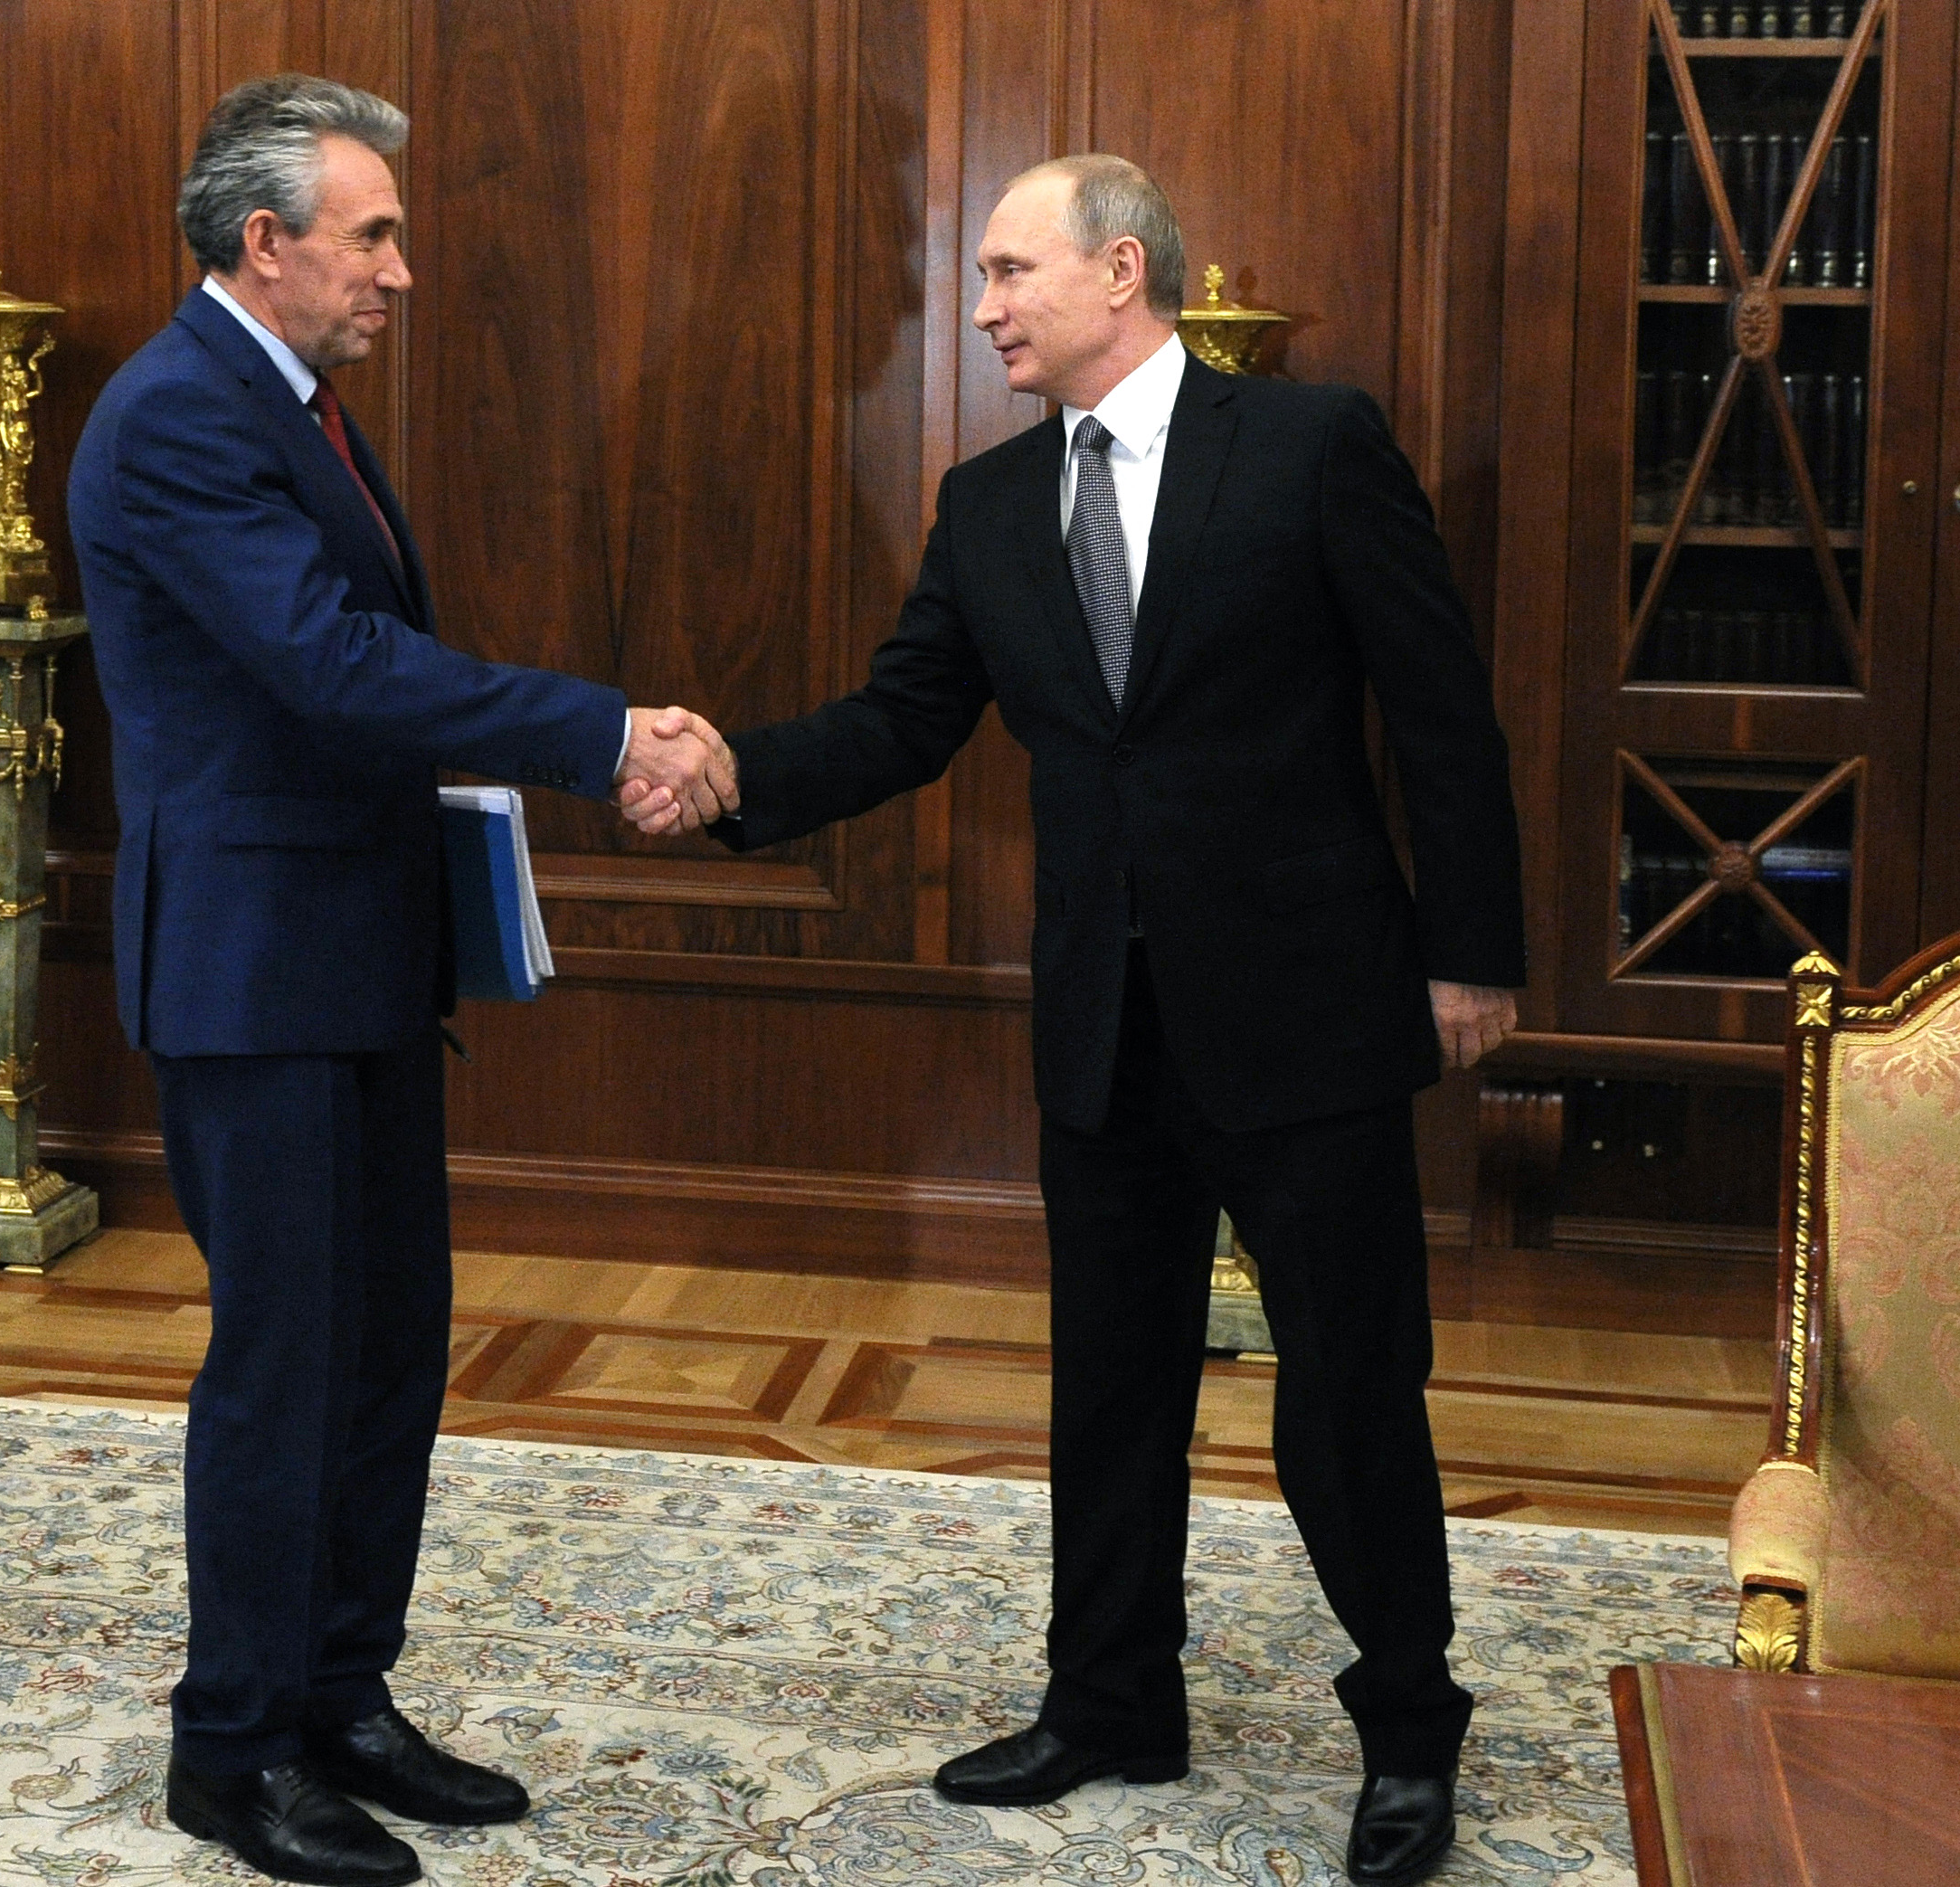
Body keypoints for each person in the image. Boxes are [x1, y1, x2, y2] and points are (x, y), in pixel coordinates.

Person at [624, 155, 1522, 1886]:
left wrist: (1470, 951)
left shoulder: (1312, 445)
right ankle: (1111, 1697)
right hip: (1106, 1020)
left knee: (1350, 1392)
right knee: (1111, 1382)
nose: (983, 310)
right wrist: (731, 775)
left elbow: (1441, 710)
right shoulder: (986, 503)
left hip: (1310, 1013)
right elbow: (902, 720)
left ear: (1122, 271)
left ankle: (1411, 1725)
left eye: (1009, 272)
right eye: (981, 278)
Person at [68, 74, 735, 1887]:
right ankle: (232, 1749)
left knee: (382, 1353)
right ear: (263, 241)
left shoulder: (291, 402)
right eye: (372, 235)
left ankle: (341, 1696)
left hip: (355, 959)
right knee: (286, 1366)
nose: (401, 270)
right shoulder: (175, 414)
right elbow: (337, 667)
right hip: (252, 972)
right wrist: (606, 731)